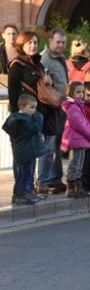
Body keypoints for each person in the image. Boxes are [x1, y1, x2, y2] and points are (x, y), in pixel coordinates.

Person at [8, 30, 59, 200]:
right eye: (29, 42)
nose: (33, 45)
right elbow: (13, 94)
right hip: (23, 117)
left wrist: (49, 81)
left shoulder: (39, 64)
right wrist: (17, 117)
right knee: (23, 156)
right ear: (21, 45)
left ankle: (30, 189)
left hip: (39, 114)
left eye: (36, 42)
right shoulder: (17, 65)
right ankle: (20, 192)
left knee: (34, 153)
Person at [39, 28, 69, 194]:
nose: (61, 45)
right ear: (50, 41)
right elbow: (43, 85)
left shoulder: (61, 58)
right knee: (49, 146)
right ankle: (44, 180)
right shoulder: (45, 59)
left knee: (57, 145)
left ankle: (56, 179)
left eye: (63, 42)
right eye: (58, 42)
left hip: (61, 107)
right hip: (50, 108)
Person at [3, 94, 45, 205]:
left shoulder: (15, 118)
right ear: (22, 107)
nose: (34, 111)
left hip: (20, 153)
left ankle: (18, 195)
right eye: (31, 107)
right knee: (26, 175)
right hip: (27, 152)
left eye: (35, 108)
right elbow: (35, 129)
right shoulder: (24, 120)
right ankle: (21, 196)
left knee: (22, 175)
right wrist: (38, 117)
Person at [60, 81, 90, 199]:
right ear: (71, 93)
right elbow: (79, 124)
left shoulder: (78, 106)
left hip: (80, 139)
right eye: (78, 92)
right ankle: (71, 188)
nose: (81, 94)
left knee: (79, 164)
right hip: (77, 139)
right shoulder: (73, 107)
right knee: (75, 164)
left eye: (82, 92)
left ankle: (77, 187)